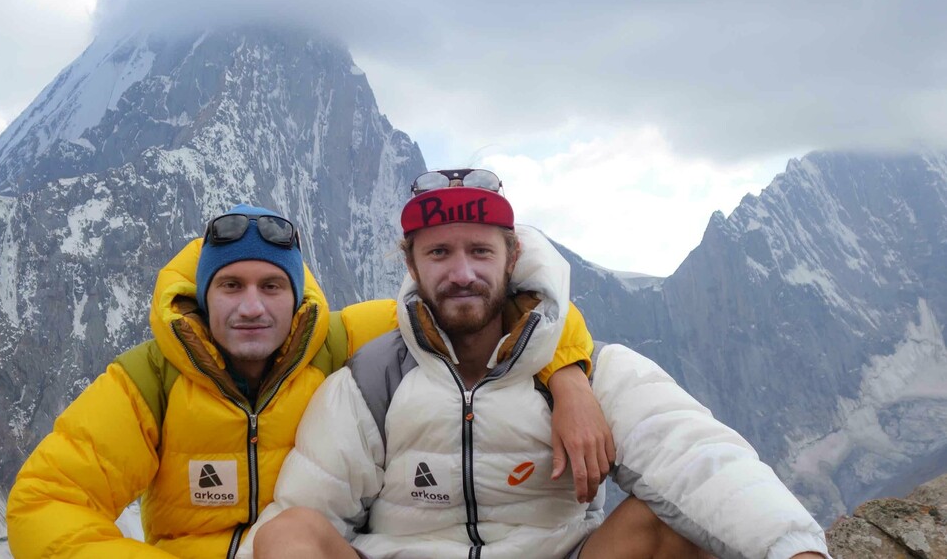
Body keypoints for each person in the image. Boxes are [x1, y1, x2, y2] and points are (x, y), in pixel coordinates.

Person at [243, 170, 831, 558]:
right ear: (413, 267)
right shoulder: (374, 380)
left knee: (674, 523)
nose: (462, 272)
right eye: (440, 253)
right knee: (289, 534)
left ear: (512, 256)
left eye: (480, 250)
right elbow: (305, 516)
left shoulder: (589, 371)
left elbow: (697, 455)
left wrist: (794, 550)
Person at [5, 201, 606, 558]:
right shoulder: (150, 380)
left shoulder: (343, 341)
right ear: (201, 298)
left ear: (296, 299)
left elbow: (488, 310)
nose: (251, 307)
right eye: (230, 287)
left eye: (271, 287)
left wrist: (570, 378)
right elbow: (44, 503)